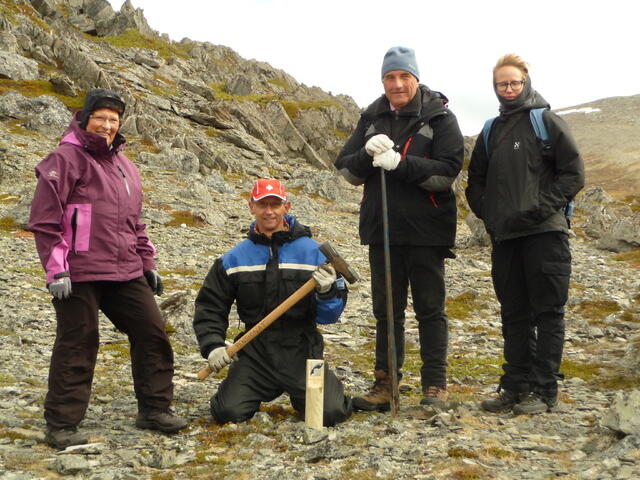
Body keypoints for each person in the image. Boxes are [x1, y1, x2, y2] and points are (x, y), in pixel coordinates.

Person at [28, 89, 187, 449]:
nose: (107, 125)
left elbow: (135, 222)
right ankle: (62, 424)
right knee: (79, 341)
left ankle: (154, 409)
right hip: (78, 271)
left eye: (114, 119)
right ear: (85, 118)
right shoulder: (65, 158)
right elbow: (45, 219)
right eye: (100, 117)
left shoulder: (125, 166)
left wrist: (148, 263)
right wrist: (57, 270)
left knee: (152, 333)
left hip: (125, 269)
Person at [334, 46, 464, 411]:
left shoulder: (440, 117)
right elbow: (346, 170)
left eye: (404, 76)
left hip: (427, 230)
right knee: (386, 311)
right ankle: (386, 382)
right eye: (390, 77)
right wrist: (366, 154)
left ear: (416, 79)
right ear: (383, 81)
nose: (397, 84)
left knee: (429, 309)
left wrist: (399, 164)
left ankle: (435, 384)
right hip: (383, 229)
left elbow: (446, 171)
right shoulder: (371, 117)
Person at [465, 54, 585, 414]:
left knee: (548, 313)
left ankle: (544, 390)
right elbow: (476, 182)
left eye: (514, 82)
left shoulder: (545, 121)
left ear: (526, 81)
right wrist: (490, 215)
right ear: (495, 88)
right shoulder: (491, 130)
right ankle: (515, 386)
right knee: (513, 313)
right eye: (502, 84)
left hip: (546, 234)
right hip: (506, 239)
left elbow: (573, 174)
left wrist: (538, 207)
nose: (509, 89)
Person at [193, 179, 352, 426]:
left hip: (303, 351)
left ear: (286, 207)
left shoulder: (314, 253)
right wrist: (213, 345)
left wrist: (327, 290)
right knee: (227, 413)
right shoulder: (233, 259)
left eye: (275, 204)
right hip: (255, 353)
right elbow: (210, 306)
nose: (269, 211)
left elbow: (329, 317)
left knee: (329, 414)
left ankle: (321, 394)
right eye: (262, 204)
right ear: (251, 207)